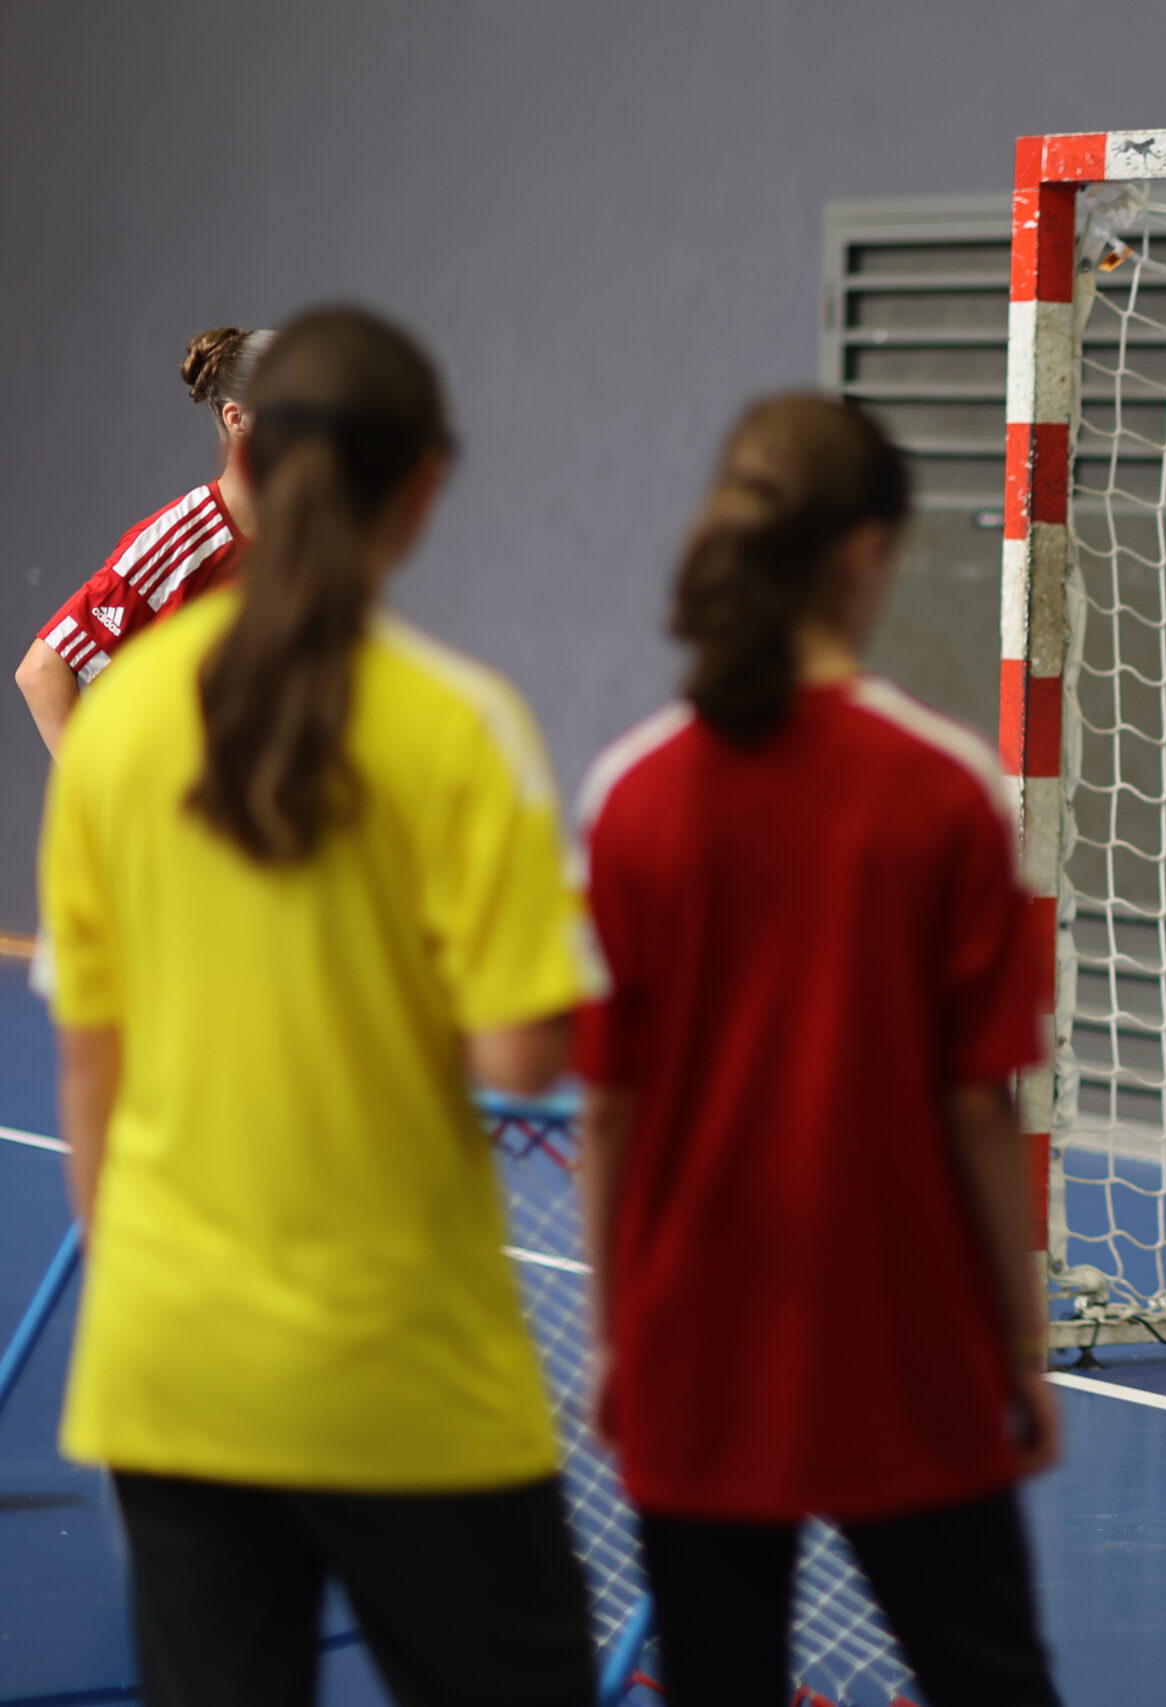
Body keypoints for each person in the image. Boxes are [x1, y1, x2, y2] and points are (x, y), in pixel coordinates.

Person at [34, 306, 600, 1705]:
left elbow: (87, 1076)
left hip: (170, 1366)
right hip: (401, 1358)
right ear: (422, 486)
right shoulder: (463, 728)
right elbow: (524, 1049)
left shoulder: (132, 757)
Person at [577, 394, 1063, 1706]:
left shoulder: (629, 793)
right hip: (905, 1341)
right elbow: (977, 1104)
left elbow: (608, 1110)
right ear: (865, 554)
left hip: (694, 1346)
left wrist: (619, 1335)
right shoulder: (947, 788)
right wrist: (1017, 1346)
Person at [16, 326, 271, 755]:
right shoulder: (181, 540)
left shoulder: (308, 544)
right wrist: (102, 805)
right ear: (237, 419)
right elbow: (42, 670)